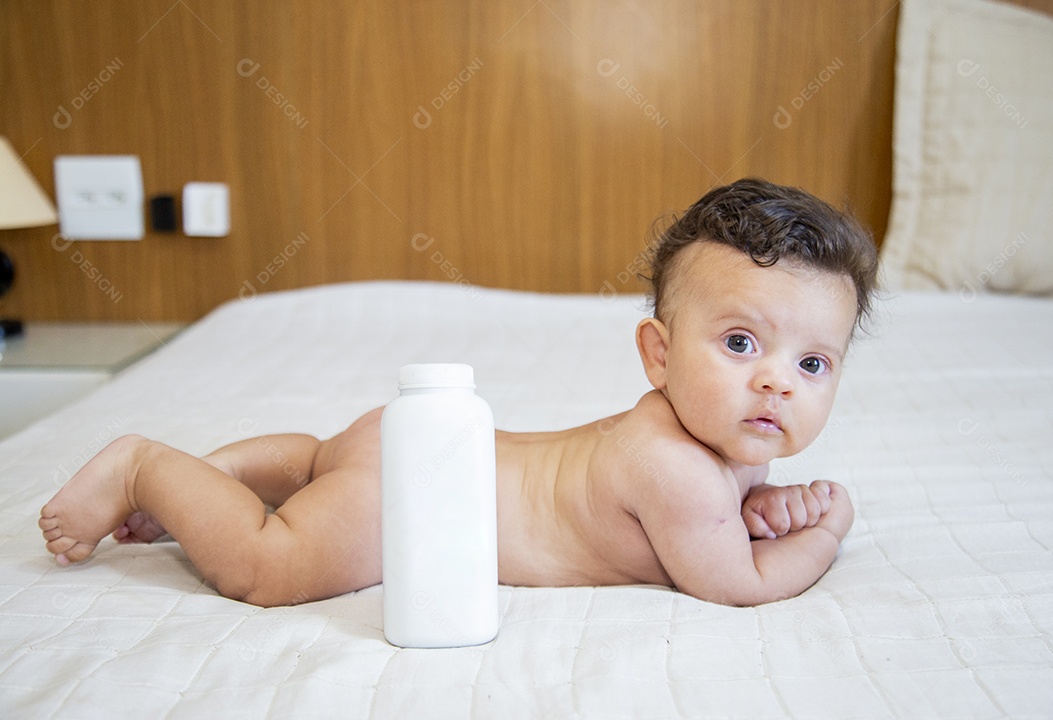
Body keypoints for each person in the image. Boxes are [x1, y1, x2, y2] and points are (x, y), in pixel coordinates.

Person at [39, 178, 878, 608]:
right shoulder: (681, 472)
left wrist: (771, 505)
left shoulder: (698, 438)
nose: (776, 379)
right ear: (657, 355)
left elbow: (731, 524)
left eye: (814, 364)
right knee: (270, 564)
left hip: (401, 442)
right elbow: (740, 582)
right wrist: (825, 527)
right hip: (414, 502)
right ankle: (148, 469)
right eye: (739, 343)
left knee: (315, 462)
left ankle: (208, 476)